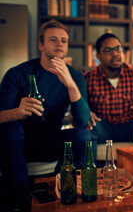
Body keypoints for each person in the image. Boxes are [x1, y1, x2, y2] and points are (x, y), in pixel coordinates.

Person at [0, 19, 91, 211]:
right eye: (53, 39)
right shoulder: (18, 73)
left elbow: (82, 121)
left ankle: (61, 193)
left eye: (64, 40)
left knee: (82, 136)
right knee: (10, 130)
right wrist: (17, 111)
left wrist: (70, 85)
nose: (59, 44)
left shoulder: (75, 76)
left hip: (50, 141)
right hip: (19, 143)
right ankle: (21, 201)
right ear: (41, 45)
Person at [84, 33, 133, 162]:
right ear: (98, 55)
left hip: (132, 127)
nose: (115, 54)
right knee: (86, 128)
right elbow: (81, 109)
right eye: (108, 50)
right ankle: (90, 173)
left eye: (118, 48)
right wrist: (87, 113)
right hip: (103, 129)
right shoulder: (88, 78)